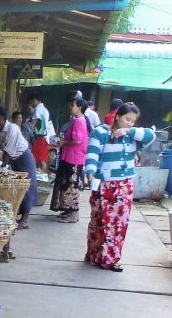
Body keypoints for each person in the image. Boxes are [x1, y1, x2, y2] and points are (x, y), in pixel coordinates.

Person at [84, 102, 155, 272]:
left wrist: (127, 131)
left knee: (118, 223)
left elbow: (150, 136)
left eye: (133, 121)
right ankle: (94, 254)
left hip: (124, 185)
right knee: (99, 221)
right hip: (104, 184)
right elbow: (92, 154)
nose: (129, 123)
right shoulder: (100, 132)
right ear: (117, 116)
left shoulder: (133, 135)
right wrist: (90, 172)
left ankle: (110, 259)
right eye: (126, 119)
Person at [0, 106, 37, 228]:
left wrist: (2, 169)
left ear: (0, 118)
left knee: (26, 187)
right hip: (14, 160)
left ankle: (25, 220)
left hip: (24, 158)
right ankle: (18, 213)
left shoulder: (12, 129)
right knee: (17, 188)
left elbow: (7, 153)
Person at [51, 98, 89, 223]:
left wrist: (63, 142)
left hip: (74, 158)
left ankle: (73, 214)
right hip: (71, 156)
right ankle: (69, 211)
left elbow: (77, 140)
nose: (70, 107)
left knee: (72, 185)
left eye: (73, 105)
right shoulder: (77, 120)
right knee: (68, 184)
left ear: (79, 107)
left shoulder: (78, 121)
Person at [27, 94, 51, 171]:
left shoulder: (38, 108)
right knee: (41, 159)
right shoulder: (44, 109)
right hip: (44, 137)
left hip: (40, 137)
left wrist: (26, 127)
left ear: (35, 100)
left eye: (31, 101)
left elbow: (35, 121)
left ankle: (42, 176)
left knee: (40, 159)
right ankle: (42, 175)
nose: (31, 103)